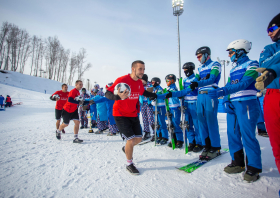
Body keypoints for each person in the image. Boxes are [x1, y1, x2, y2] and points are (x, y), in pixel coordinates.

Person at [208, 39, 262, 182]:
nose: (229, 55)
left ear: (240, 51)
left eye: (231, 52)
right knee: (232, 134)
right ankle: (237, 162)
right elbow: (229, 84)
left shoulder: (252, 64)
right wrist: (226, 99)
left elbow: (245, 83)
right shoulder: (233, 69)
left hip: (247, 104)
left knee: (248, 135)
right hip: (233, 105)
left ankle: (253, 167)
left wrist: (221, 91)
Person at [162, 47, 222, 160]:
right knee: (201, 123)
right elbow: (188, 89)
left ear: (206, 54)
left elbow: (212, 78)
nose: (198, 59)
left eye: (199, 56)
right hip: (199, 96)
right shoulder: (200, 69)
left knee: (210, 122)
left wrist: (198, 82)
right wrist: (173, 94)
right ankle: (206, 146)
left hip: (209, 95)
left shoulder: (215, 64)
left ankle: (215, 147)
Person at [105, 60, 158, 175]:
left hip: (133, 114)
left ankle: (126, 149)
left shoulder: (139, 83)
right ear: (133, 69)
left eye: (144, 69)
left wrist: (155, 95)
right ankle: (129, 164)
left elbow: (143, 92)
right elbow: (107, 94)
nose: (142, 72)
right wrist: (117, 96)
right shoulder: (122, 80)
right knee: (130, 139)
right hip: (120, 114)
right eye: (140, 69)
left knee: (138, 139)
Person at [255, 13, 280, 174]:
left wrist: (274, 67)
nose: (269, 33)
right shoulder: (270, 48)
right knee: (277, 143)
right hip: (273, 95)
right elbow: (263, 65)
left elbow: (271, 65)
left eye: (272, 29)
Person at [181, 62, 203, 152]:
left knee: (197, 124)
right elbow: (183, 91)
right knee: (187, 124)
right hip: (186, 103)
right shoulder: (184, 80)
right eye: (184, 70)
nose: (185, 72)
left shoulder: (196, 78)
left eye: (186, 70)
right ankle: (191, 141)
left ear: (191, 69)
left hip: (194, 103)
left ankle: (199, 142)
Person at [165, 74, 184, 148]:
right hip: (170, 108)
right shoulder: (168, 89)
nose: (166, 82)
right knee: (171, 124)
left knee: (176, 124)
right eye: (166, 81)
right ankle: (173, 139)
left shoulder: (174, 89)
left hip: (175, 109)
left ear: (172, 81)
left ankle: (179, 140)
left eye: (168, 80)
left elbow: (177, 95)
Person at [151, 77, 169, 145]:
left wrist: (154, 96)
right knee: (157, 122)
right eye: (151, 82)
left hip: (161, 107)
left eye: (153, 82)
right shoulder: (154, 89)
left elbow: (158, 96)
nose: (152, 84)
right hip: (155, 107)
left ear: (157, 82)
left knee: (161, 122)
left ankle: (164, 137)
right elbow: (152, 98)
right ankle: (159, 136)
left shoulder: (160, 89)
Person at [139, 74, 155, 141]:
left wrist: (149, 95)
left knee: (150, 118)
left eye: (142, 80)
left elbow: (153, 92)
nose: (141, 81)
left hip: (149, 104)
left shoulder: (150, 85)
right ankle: (147, 132)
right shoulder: (139, 85)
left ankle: (155, 132)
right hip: (142, 104)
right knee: (144, 119)